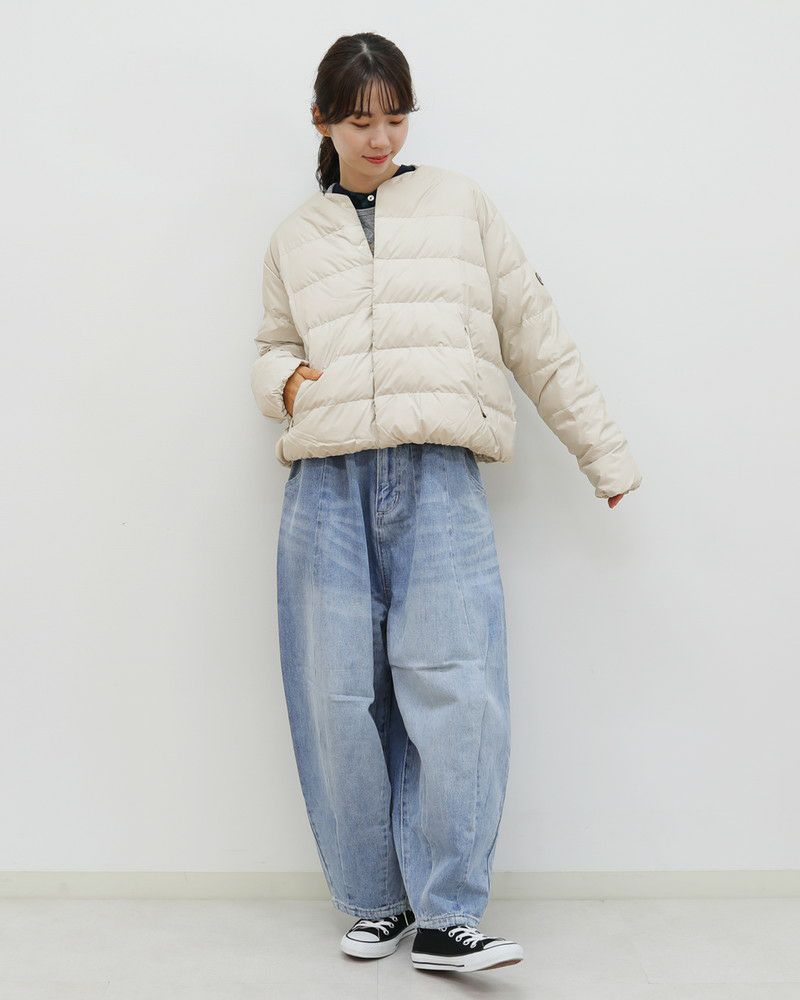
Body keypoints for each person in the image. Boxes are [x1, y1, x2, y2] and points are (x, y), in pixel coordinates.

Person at [250, 32, 642, 975]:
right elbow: (270, 345)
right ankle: (373, 901)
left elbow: (533, 332)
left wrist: (602, 452)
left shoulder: (461, 204)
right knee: (335, 698)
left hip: (439, 476)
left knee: (458, 691)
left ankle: (448, 914)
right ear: (322, 121)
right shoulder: (295, 237)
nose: (380, 139)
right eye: (360, 121)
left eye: (395, 118)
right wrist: (286, 382)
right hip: (328, 484)